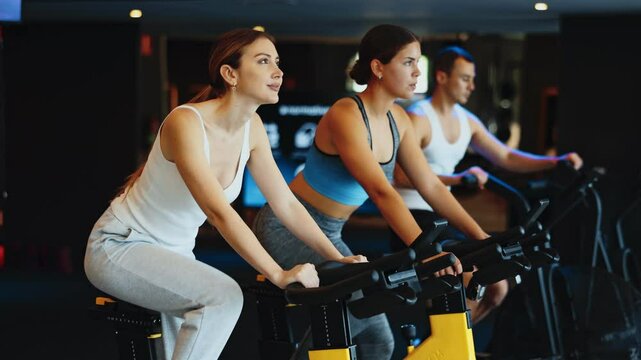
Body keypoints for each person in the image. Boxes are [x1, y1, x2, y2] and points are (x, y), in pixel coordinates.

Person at [83, 28, 365, 360]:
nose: (278, 71)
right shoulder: (185, 123)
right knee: (224, 297)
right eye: (263, 61)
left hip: (175, 255)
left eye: (277, 61)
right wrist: (277, 273)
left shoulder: (253, 128)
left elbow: (286, 203)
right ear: (230, 74)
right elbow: (218, 212)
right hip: (120, 246)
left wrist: (336, 257)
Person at [252, 24, 489, 360]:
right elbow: (380, 190)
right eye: (408, 62)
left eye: (417, 63)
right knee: (350, 318)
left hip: (329, 231)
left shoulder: (399, 120)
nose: (417, 72)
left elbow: (431, 185)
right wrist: (425, 250)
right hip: (287, 226)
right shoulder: (346, 113)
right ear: (378, 67)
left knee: (381, 342)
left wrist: (481, 238)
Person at [393, 45, 583, 324]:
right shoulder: (419, 118)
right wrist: (457, 179)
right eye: (464, 78)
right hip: (412, 219)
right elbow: (400, 177)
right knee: (471, 284)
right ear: (442, 77)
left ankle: (448, 348)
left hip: (442, 215)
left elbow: (505, 156)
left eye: (472, 79)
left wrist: (554, 161)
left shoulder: (466, 120)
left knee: (497, 289)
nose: (471, 86)